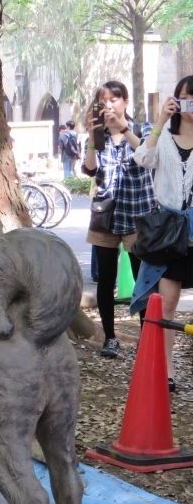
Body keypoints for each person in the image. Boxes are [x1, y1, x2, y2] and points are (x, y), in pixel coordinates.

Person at [81, 80, 154, 358]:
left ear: (125, 102)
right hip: (105, 217)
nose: (109, 105)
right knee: (106, 280)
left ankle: (148, 337)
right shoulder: (98, 135)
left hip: (138, 215)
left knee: (143, 278)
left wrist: (123, 128)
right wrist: (91, 136)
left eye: (115, 99)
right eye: (104, 100)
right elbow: (89, 169)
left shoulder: (140, 129)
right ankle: (110, 337)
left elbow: (147, 155)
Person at [131, 76, 193, 391]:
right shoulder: (165, 135)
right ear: (176, 100)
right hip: (170, 231)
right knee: (167, 301)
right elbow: (142, 159)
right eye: (185, 98)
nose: (189, 104)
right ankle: (166, 371)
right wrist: (159, 121)